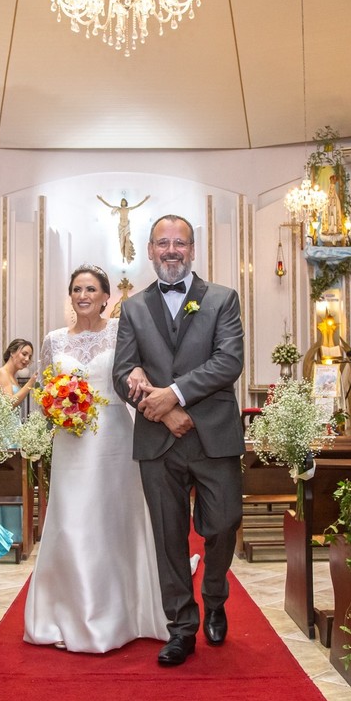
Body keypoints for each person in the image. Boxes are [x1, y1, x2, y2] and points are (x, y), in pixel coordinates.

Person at [113, 215, 246, 667]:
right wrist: (160, 407)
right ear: (150, 250)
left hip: (214, 435)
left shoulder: (223, 298)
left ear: (192, 249)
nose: (172, 250)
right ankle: (181, 627)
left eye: (180, 243)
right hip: (158, 439)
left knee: (224, 523)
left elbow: (228, 362)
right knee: (168, 537)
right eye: (163, 243)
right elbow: (122, 372)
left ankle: (215, 594)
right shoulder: (133, 308)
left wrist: (174, 395)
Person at [23, 264, 167, 653]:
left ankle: (125, 613)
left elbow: (137, 375)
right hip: (71, 440)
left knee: (114, 520)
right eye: (76, 289)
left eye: (90, 289)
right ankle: (66, 611)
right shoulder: (53, 340)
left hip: (114, 439)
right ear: (70, 296)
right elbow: (46, 390)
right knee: (71, 521)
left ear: (106, 296)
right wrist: (56, 408)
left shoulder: (122, 331)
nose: (83, 295)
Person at [97, 194, 150, 264]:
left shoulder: (128, 209)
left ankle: (128, 256)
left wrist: (145, 199)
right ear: (121, 203)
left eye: (124, 201)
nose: (123, 203)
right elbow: (109, 205)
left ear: (126, 203)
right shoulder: (118, 209)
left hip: (127, 226)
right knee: (122, 242)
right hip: (121, 227)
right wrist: (101, 199)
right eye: (122, 202)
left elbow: (137, 205)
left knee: (127, 240)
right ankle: (123, 256)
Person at [0, 338, 36, 408]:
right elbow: (9, 403)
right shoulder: (2, 373)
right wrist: (30, 383)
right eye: (24, 354)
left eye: (29, 357)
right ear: (12, 352)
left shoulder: (13, 377)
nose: (27, 359)